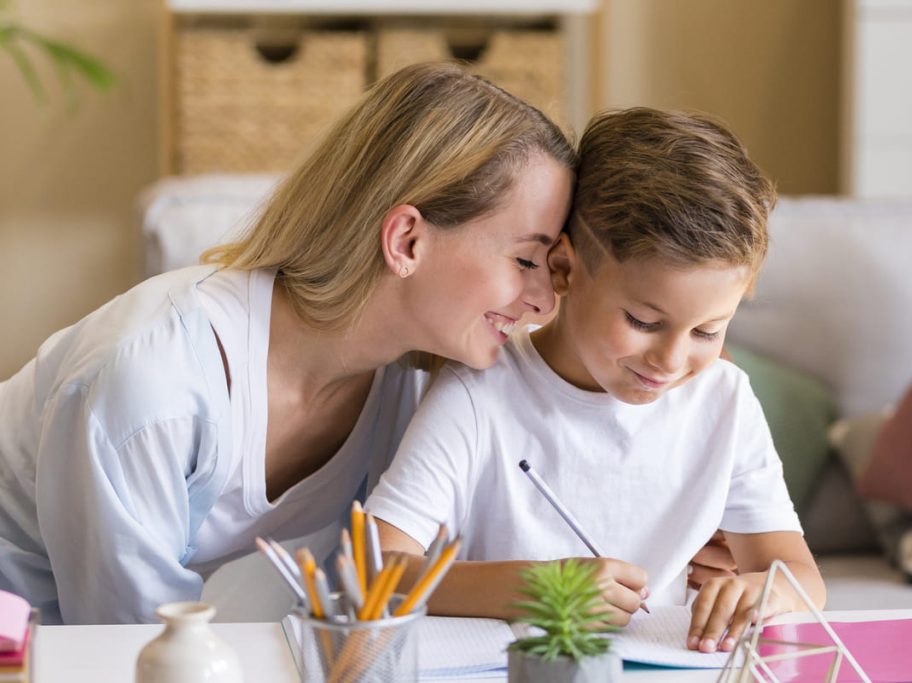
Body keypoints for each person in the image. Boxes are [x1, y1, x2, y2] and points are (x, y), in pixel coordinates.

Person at [0, 62, 577, 624]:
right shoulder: (153, 383)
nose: (543, 301)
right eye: (525, 259)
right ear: (406, 240)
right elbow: (136, 648)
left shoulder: (416, 380)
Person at [367, 107, 826, 654]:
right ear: (563, 269)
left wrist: (766, 594)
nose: (670, 360)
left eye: (707, 330)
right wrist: (541, 588)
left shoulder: (724, 400)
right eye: (643, 322)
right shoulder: (479, 393)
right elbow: (374, 572)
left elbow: (800, 578)